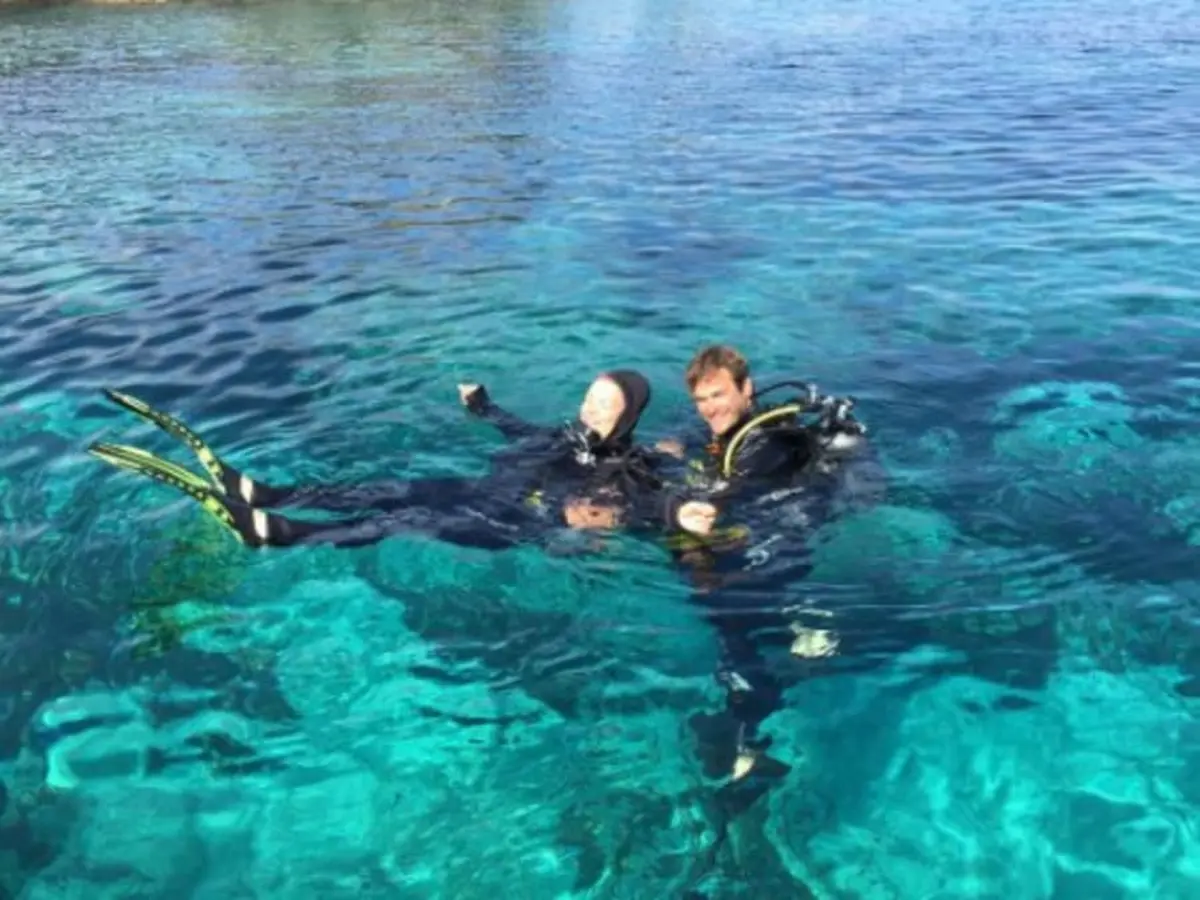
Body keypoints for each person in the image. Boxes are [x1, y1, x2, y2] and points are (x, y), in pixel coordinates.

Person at [87, 371, 719, 552]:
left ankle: (285, 535)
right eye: (588, 396)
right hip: (482, 490)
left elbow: (647, 500)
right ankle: (266, 493)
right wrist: (485, 406)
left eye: (604, 405)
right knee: (388, 487)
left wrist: (677, 514)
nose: (588, 408)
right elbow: (522, 432)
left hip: (513, 524)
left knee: (407, 518)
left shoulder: (626, 463)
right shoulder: (566, 434)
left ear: (627, 417)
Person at [656, 344, 877, 788]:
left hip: (785, 537)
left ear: (747, 389)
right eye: (701, 400)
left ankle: (754, 718)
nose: (709, 409)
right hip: (760, 530)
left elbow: (723, 498)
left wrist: (677, 505)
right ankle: (753, 723)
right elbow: (686, 440)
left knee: (726, 606)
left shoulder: (770, 443)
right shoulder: (724, 432)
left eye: (719, 395)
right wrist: (672, 450)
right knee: (721, 611)